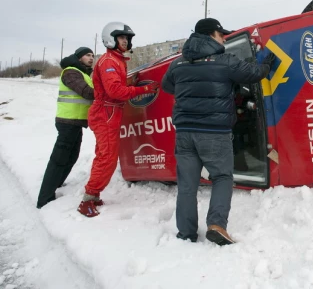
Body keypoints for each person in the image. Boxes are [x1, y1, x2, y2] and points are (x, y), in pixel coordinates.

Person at [161, 18, 274, 245]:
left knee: (187, 185)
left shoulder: (178, 64)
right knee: (222, 177)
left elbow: (167, 86)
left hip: (184, 133)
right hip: (214, 132)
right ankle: (216, 224)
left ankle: (186, 233)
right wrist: (268, 63)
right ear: (211, 35)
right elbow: (253, 74)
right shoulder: (225, 61)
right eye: (221, 34)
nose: (224, 38)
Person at [77, 22, 159, 217]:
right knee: (107, 159)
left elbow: (114, 86)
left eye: (127, 38)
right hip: (105, 113)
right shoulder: (108, 61)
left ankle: (94, 195)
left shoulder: (117, 60)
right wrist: (143, 89)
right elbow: (115, 91)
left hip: (110, 113)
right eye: (121, 38)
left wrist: (131, 82)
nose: (125, 41)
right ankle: (88, 199)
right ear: (111, 39)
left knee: (105, 156)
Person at [36, 47, 95, 208]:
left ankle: (57, 184)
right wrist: (106, 91)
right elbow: (86, 92)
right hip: (67, 122)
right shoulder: (71, 72)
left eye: (92, 56)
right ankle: (45, 199)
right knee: (59, 159)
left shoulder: (82, 73)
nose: (91, 58)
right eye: (87, 55)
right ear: (78, 57)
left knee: (71, 157)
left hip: (75, 123)